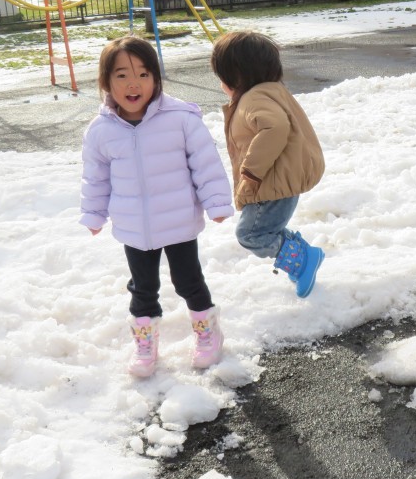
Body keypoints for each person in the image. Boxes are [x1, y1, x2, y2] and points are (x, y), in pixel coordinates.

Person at [80, 36, 234, 376]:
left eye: (143, 74)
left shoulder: (180, 118)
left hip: (178, 220)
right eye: (122, 75)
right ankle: (145, 344)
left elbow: (205, 163)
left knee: (188, 281)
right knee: (143, 288)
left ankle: (208, 334)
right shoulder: (101, 131)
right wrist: (93, 213)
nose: (133, 84)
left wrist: (217, 202)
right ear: (106, 82)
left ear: (156, 78)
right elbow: (95, 177)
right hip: (134, 227)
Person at [210, 31, 326, 297]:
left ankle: (303, 259)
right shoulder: (269, 92)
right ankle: (300, 256)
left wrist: (251, 173)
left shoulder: (254, 99)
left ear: (236, 76)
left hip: (269, 183)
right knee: (264, 229)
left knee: (251, 235)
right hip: (276, 181)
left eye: (221, 75)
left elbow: (275, 128)